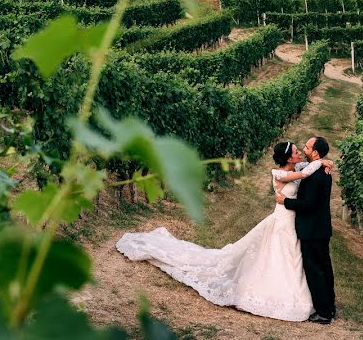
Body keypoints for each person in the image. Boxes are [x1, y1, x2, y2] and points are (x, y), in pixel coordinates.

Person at [116, 141, 333, 322]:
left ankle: (316, 301)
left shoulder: (297, 167)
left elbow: (305, 168)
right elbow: (305, 174)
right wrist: (319, 162)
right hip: (283, 219)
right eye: (296, 151)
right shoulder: (280, 173)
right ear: (288, 159)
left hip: (293, 221)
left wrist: (321, 161)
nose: (299, 152)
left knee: (296, 258)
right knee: (280, 255)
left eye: (302, 149)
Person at [276, 136, 336, 324]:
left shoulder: (314, 176)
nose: (304, 149)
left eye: (307, 147)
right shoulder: (321, 171)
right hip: (321, 228)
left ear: (315, 152)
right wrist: (323, 161)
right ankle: (330, 306)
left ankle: (324, 313)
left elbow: (308, 204)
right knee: (325, 268)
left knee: (315, 269)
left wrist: (285, 201)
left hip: (312, 229)